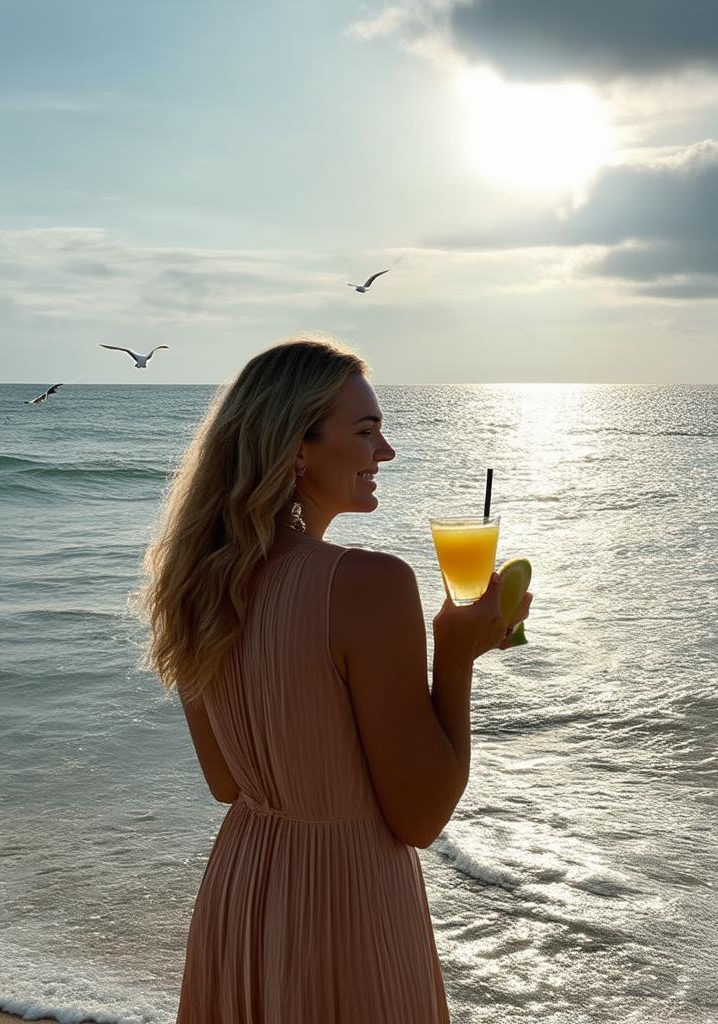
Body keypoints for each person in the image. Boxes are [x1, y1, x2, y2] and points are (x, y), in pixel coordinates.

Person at [137, 335, 531, 1023]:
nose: (386, 453)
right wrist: (458, 656)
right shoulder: (367, 584)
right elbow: (421, 817)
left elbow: (226, 783)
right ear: (296, 447)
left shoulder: (195, 587)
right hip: (345, 903)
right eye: (367, 432)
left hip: (246, 889)